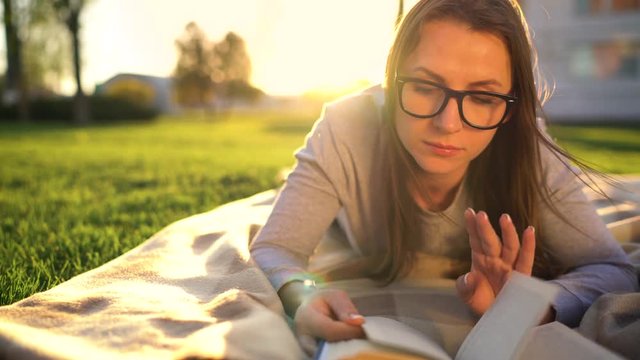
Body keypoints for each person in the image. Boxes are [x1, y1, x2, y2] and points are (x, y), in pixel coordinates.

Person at [250, 0, 638, 344]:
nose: (448, 123)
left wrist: (529, 307)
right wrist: (302, 293)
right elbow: (275, 247)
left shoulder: (528, 150)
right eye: (423, 86)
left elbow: (612, 269)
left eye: (484, 97)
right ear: (391, 78)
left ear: (510, 106)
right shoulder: (346, 128)